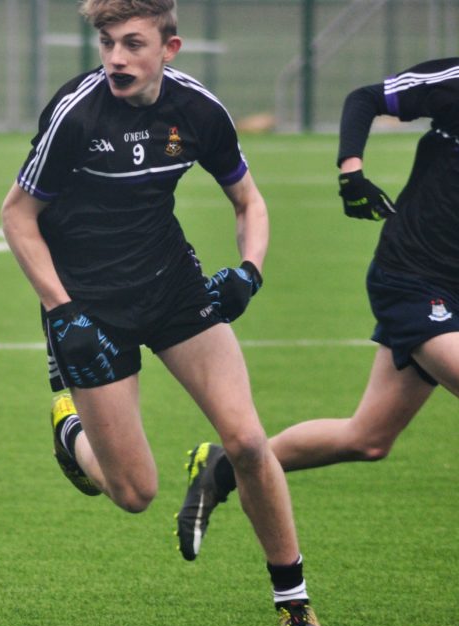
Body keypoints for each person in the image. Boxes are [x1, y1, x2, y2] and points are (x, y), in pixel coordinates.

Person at [0, 0, 324, 626]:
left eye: (133, 44)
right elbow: (17, 216)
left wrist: (249, 271)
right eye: (108, 43)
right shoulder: (76, 113)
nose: (117, 58)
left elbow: (248, 199)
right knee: (134, 490)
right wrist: (63, 313)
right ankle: (70, 427)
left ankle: (294, 602)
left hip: (173, 288)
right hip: (88, 305)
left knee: (248, 439)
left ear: (169, 49)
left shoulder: (199, 110)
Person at [177, 58, 459, 566]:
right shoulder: (453, 82)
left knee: (368, 438)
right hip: (414, 278)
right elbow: (365, 98)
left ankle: (220, 470)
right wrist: (352, 171)